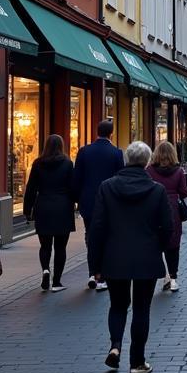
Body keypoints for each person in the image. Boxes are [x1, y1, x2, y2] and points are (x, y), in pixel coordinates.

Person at [89, 140, 172, 373]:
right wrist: (159, 248)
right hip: (146, 256)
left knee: (117, 305)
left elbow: (97, 227)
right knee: (141, 308)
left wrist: (95, 264)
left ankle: (115, 346)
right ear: (147, 161)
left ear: (126, 160)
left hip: (114, 257)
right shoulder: (156, 190)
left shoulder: (107, 187)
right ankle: (137, 362)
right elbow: (167, 227)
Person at [73, 120, 124, 291]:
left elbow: (77, 178)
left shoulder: (84, 151)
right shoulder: (116, 153)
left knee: (91, 236)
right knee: (106, 237)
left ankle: (92, 273)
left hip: (88, 202)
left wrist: (77, 199)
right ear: (112, 133)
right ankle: (101, 274)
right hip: (109, 202)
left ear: (97, 132)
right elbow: (120, 179)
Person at [24, 134, 76, 293]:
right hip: (62, 206)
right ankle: (57, 282)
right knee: (61, 247)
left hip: (43, 205)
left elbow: (31, 188)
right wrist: (75, 202)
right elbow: (72, 186)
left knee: (45, 245)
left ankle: (45, 269)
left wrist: (28, 210)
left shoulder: (38, 163)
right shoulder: (67, 163)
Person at [147, 140, 187, 293]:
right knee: (173, 244)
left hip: (154, 207)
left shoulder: (150, 170)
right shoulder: (178, 171)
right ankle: (173, 278)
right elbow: (183, 193)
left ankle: (163, 274)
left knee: (156, 243)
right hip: (172, 208)